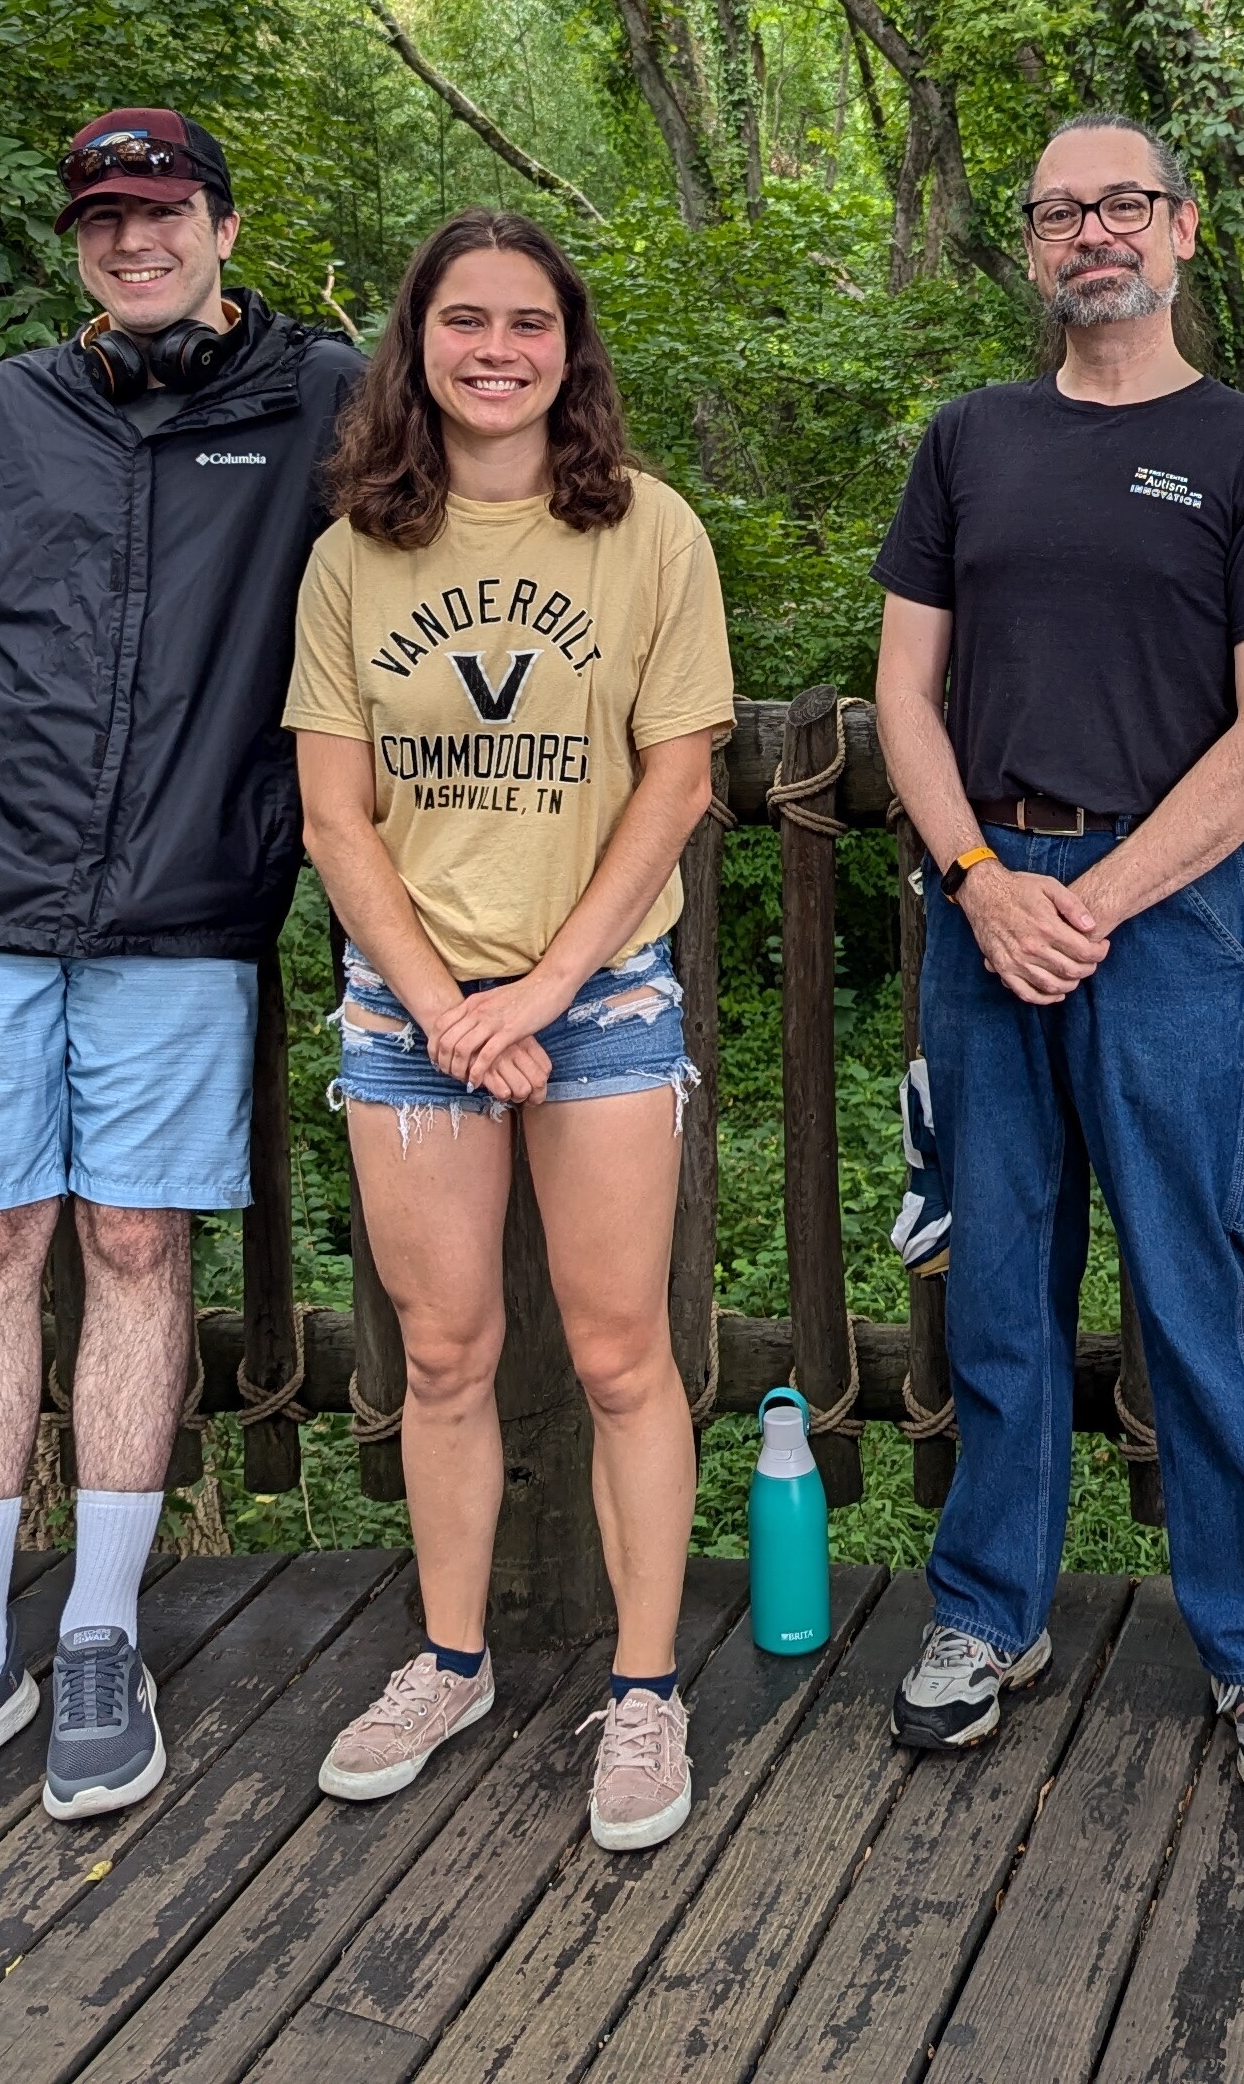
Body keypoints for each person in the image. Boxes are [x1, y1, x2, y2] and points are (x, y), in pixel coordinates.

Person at [0, 110, 360, 1839]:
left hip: (189, 902)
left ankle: (101, 1633)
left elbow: (452, 545)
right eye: (102, 221)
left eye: (163, 213)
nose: (134, 243)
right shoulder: (0, 416)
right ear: (78, 245)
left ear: (223, 222)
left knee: (139, 1246)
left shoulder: (323, 400)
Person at [874, 114, 1244, 1809]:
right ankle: (987, 1615)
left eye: (1124, 203)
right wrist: (988, 881)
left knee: (1193, 1285)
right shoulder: (968, 442)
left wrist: (1101, 898)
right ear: (1029, 245)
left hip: (1175, 905)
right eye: (1061, 207)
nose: (1095, 231)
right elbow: (900, 699)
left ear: (1185, 227)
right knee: (1000, 1281)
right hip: (986, 890)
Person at [286, 213, 732, 1851]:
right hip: (411, 1016)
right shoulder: (355, 553)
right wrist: (445, 1004)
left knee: (622, 1356)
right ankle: (450, 1659)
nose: (495, 349)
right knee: (447, 1353)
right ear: (415, 347)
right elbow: (337, 819)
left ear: (570, 346)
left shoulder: (648, 532)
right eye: (462, 321)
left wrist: (538, 997)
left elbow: (676, 780)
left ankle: (643, 1692)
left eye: (527, 323)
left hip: (597, 1001)